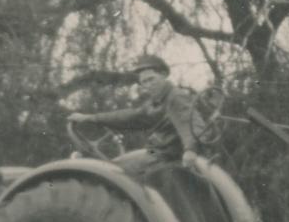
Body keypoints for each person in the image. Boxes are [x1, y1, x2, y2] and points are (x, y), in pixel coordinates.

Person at [68, 54, 201, 175]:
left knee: (114, 172)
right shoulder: (156, 102)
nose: (148, 85)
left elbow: (189, 122)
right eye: (144, 82)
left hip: (167, 155)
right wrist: (91, 118)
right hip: (156, 152)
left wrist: (190, 149)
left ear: (164, 75)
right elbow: (130, 117)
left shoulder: (175, 97)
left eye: (151, 79)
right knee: (114, 164)